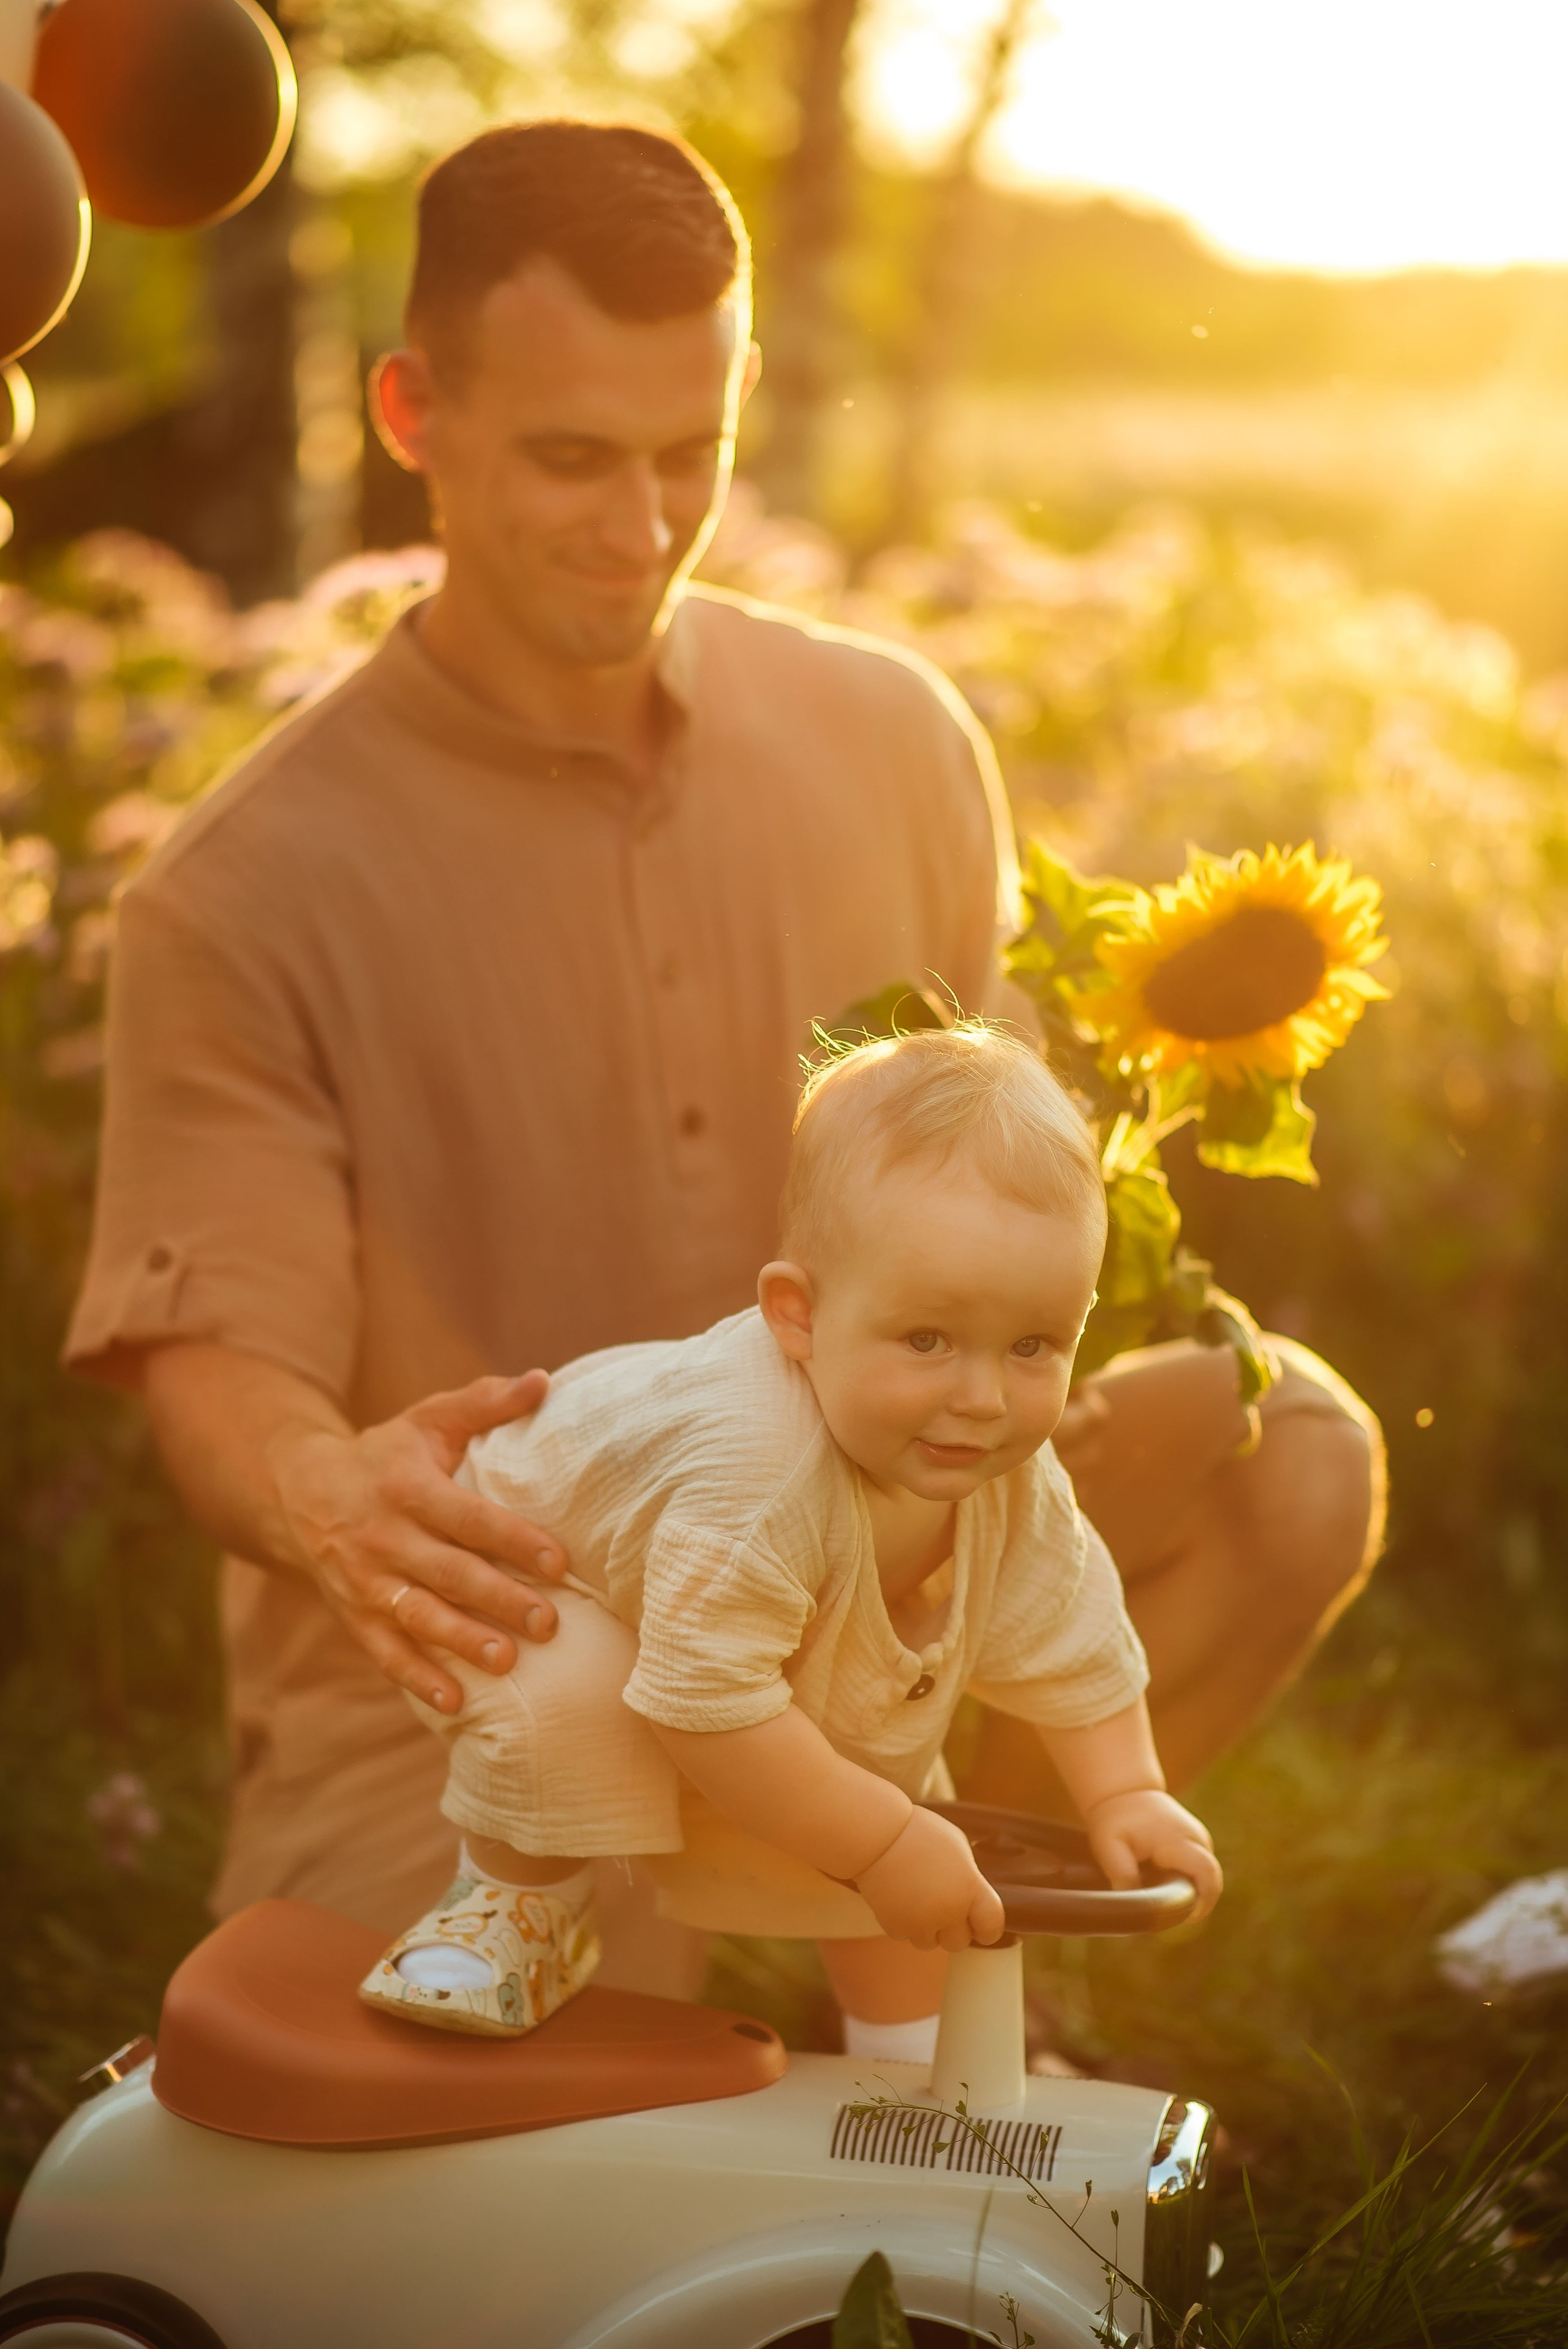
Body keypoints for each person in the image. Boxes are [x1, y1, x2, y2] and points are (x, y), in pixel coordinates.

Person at [66, 118, 1381, 1996]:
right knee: (482, 2218)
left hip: (865, 1592)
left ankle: (935, 1952)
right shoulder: (239, 890)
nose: (642, 524)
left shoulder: (897, 740)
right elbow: (218, 1362)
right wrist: (327, 1494)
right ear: (412, 412)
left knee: (1293, 1446)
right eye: (573, 459)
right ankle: (752, 1968)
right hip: (503, 1661)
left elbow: (974, 1145)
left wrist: (1046, 1301)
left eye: (693, 452)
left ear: (748, 388)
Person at [358, 1028, 1221, 2051]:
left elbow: (1075, 1631)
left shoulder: (1001, 1474)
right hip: (519, 1572)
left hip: (708, 1631)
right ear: (797, 1318)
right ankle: (516, 1909)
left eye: (1033, 1346)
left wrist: (1127, 1790)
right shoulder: (756, 1478)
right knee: (581, 1698)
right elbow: (706, 1710)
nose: (983, 1398)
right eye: (928, 1340)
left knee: (880, 1794)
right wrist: (884, 1840)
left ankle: (906, 2061)